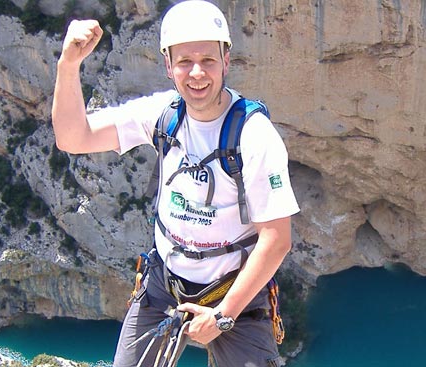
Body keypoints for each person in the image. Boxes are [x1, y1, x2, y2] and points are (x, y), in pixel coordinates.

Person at [50, 1, 300, 366]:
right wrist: (68, 66)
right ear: (168, 66)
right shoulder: (163, 114)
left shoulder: (254, 134)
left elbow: (277, 238)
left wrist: (223, 315)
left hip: (234, 292)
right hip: (165, 284)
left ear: (226, 61)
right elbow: (74, 137)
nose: (196, 73)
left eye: (208, 60)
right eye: (184, 62)